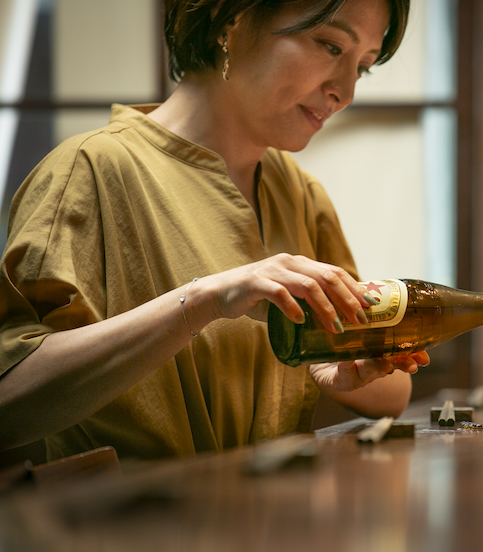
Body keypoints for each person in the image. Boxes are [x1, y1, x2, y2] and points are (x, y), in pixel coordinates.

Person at [0, 0, 428, 461]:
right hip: (119, 528)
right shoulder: (89, 171)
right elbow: (10, 403)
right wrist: (201, 301)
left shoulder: (299, 194)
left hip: (266, 524)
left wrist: (333, 362)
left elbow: (394, 393)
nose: (344, 92)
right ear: (232, 19)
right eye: (329, 45)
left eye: (362, 67)